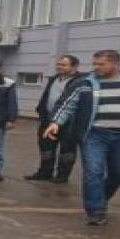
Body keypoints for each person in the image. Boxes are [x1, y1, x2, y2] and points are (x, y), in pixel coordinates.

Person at [43, 50, 120, 226]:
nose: (96, 67)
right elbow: (66, 103)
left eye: (101, 64)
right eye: (95, 64)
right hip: (94, 134)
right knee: (94, 171)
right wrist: (56, 122)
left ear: (116, 64)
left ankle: (101, 197)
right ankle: (95, 211)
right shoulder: (85, 82)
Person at [26, 55, 81, 183]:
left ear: (74, 67)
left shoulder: (80, 81)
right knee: (46, 147)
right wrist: (41, 110)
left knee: (67, 150)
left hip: (69, 122)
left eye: (63, 65)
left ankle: (62, 176)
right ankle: (45, 172)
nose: (59, 67)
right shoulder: (54, 79)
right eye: (58, 64)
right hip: (48, 120)